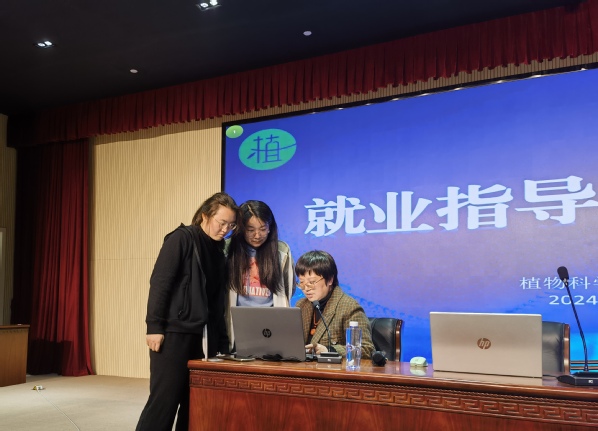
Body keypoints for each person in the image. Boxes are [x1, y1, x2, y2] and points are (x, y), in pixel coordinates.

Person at [136, 192, 238, 431]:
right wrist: (154, 326)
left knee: (194, 404)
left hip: (204, 337)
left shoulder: (219, 251)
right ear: (205, 216)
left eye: (231, 225)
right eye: (221, 222)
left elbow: (217, 302)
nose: (225, 229)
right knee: (164, 401)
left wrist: (222, 342)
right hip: (174, 332)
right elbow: (160, 283)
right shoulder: (181, 238)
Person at [225, 200, 295, 351]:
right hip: (236, 326)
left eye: (263, 229)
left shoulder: (282, 251)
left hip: (271, 327)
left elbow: (289, 289)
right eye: (250, 230)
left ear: (270, 228)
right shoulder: (228, 249)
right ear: (240, 229)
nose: (257, 235)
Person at [295, 250, 374, 358]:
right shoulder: (301, 305)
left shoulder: (349, 307)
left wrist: (329, 350)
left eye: (312, 282)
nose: (306, 288)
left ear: (330, 280)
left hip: (330, 368)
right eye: (302, 282)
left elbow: (366, 349)